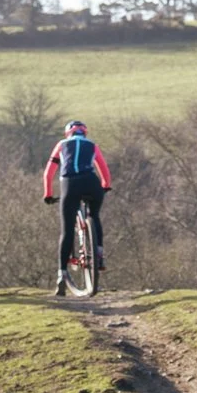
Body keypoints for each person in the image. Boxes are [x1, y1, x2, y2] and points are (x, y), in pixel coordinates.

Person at [40, 119, 112, 288]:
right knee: (94, 216)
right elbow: (104, 169)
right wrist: (106, 186)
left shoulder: (61, 145)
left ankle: (61, 274)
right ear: (84, 133)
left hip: (69, 184)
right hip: (91, 182)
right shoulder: (92, 145)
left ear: (68, 133)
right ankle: (99, 255)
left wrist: (48, 194)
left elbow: (48, 174)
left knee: (66, 230)